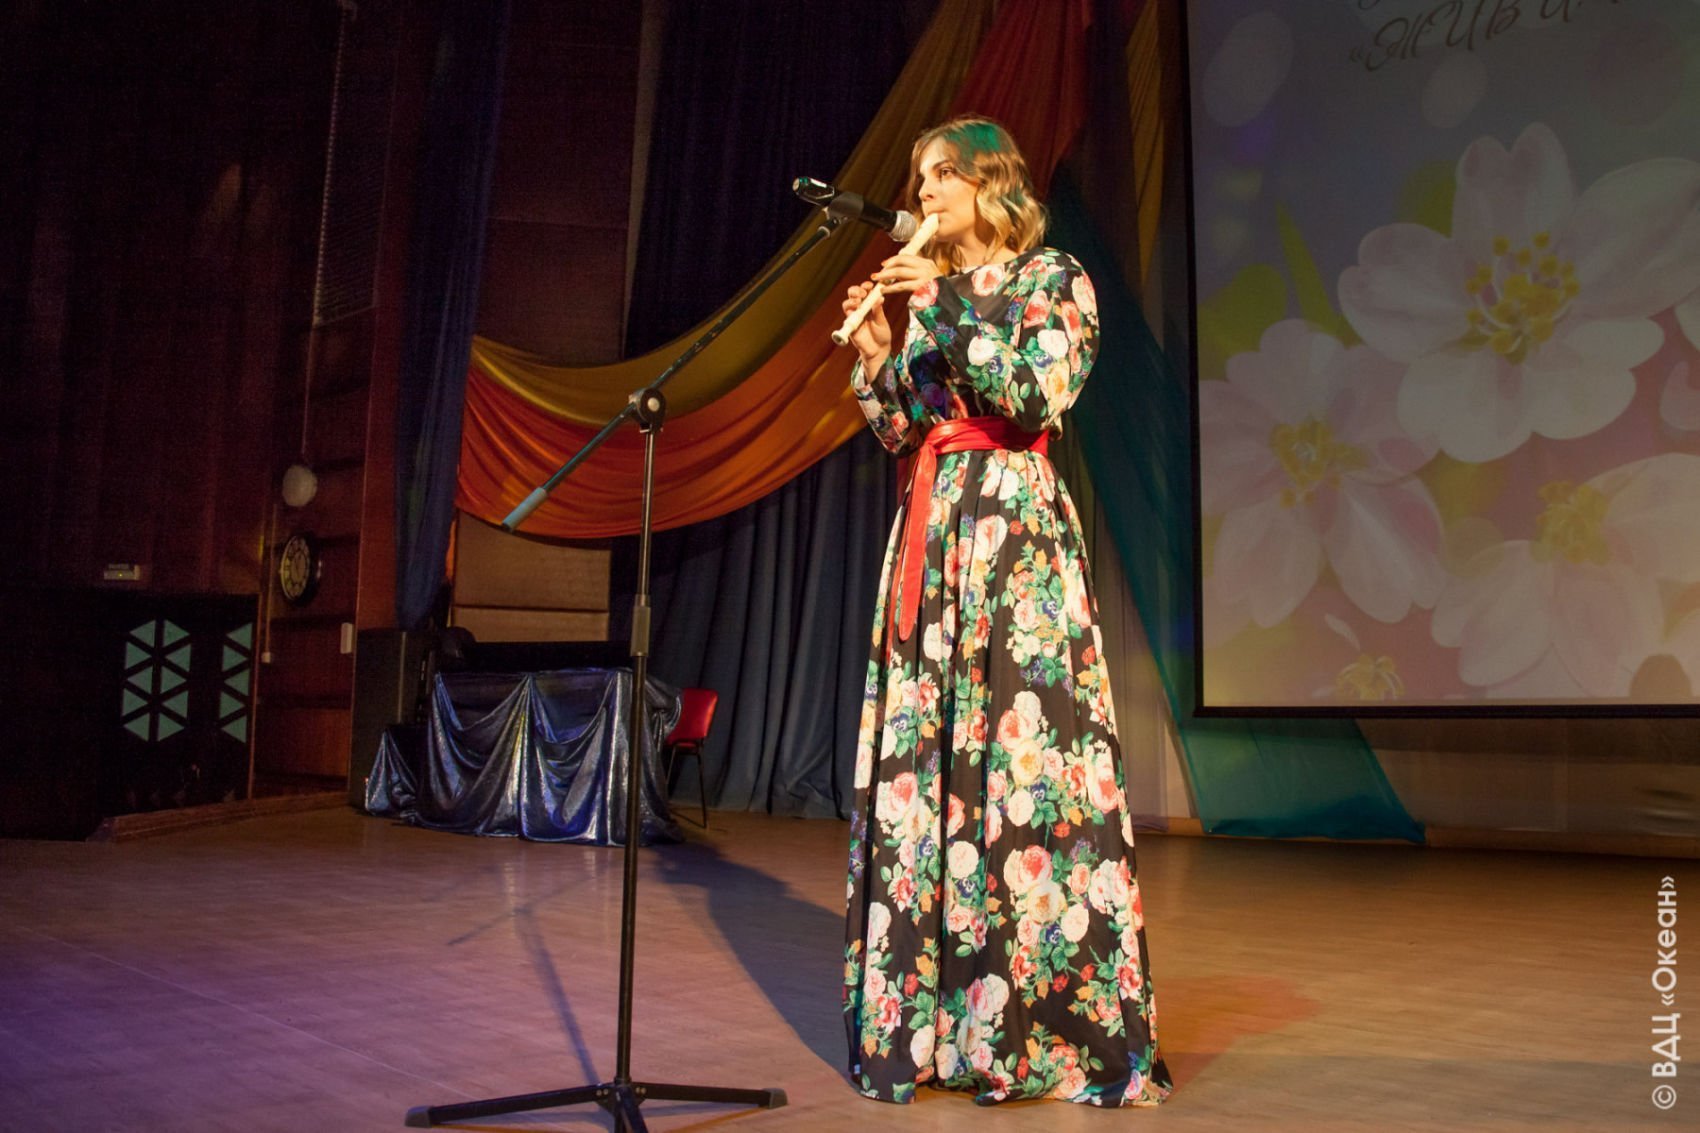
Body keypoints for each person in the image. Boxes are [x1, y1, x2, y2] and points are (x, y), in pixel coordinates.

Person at [840, 116, 1172, 1107]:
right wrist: (876, 358)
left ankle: (1037, 1024)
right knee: (932, 768)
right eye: (919, 178)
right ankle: (933, 1028)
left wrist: (938, 305)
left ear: (992, 183)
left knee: (1022, 774)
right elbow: (907, 427)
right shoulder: (931, 294)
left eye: (941, 174)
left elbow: (1029, 393)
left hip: (1013, 535)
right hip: (935, 526)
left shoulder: (1052, 279)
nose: (925, 192)